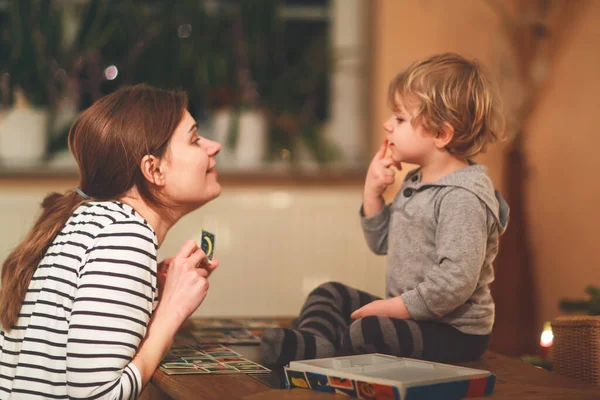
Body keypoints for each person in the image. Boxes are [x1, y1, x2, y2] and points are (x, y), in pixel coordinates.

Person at [261, 53, 510, 366]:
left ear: (440, 134)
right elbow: (382, 243)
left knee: (367, 332)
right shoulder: (416, 182)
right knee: (329, 292)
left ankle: (328, 344)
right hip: (410, 314)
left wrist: (391, 309)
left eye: (400, 118)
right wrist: (373, 193)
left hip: (454, 331)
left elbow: (454, 284)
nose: (386, 124)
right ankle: (315, 344)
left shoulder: (463, 198)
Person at [0, 84, 222, 399]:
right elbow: (100, 396)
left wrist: (151, 292)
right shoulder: (125, 236)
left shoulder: (95, 219)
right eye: (195, 139)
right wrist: (171, 311)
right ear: (153, 169)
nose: (215, 146)